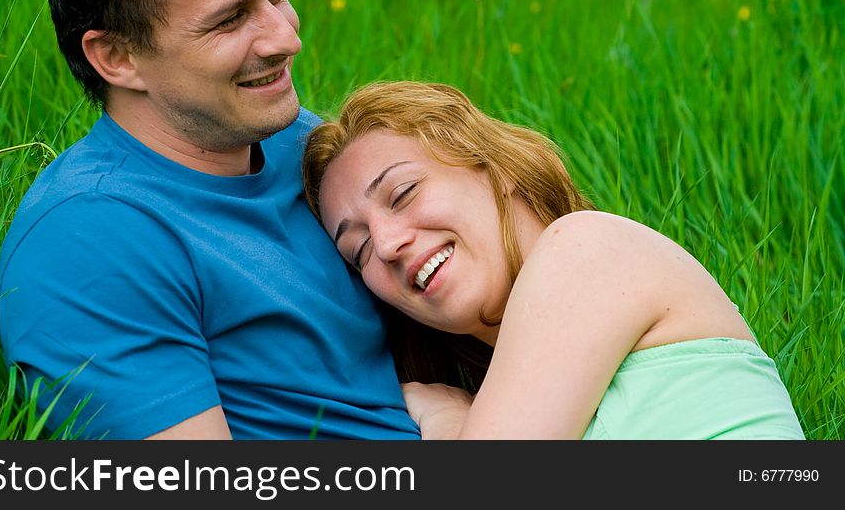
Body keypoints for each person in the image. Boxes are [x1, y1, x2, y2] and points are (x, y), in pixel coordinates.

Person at [0, 0, 420, 440]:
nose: (287, 38)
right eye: (229, 20)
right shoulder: (91, 239)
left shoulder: (311, 149)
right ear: (118, 58)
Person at [301, 80, 806, 439]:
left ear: (496, 169)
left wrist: (451, 423)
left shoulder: (585, 249)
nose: (386, 245)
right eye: (359, 250)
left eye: (403, 192)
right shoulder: (510, 392)